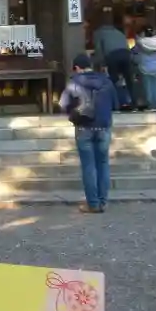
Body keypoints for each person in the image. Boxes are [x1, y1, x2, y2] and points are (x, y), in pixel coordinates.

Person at [59, 53, 116, 214]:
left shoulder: (73, 83)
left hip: (83, 128)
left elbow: (63, 104)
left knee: (88, 166)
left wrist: (72, 112)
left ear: (77, 68)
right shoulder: (106, 81)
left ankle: (93, 204)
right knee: (103, 164)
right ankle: (103, 202)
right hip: (103, 127)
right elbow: (115, 103)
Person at [93, 18, 133, 109]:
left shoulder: (98, 33)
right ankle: (133, 103)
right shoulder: (119, 32)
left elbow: (99, 49)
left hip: (112, 55)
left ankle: (115, 104)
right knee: (128, 80)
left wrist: (101, 63)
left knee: (113, 80)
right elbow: (127, 45)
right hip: (126, 54)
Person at [132, 27, 156, 112]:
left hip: (145, 66)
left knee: (148, 88)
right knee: (155, 87)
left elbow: (134, 53)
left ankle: (150, 106)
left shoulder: (140, 42)